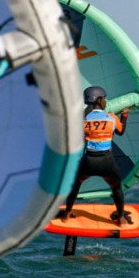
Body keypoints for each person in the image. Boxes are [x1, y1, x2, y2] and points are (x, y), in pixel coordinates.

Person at [57, 86, 130, 223]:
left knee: (75, 185)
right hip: (107, 162)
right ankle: (120, 218)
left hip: (88, 161)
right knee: (116, 187)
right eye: (105, 99)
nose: (106, 101)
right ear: (99, 100)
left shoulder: (82, 120)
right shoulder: (112, 118)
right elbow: (121, 131)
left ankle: (67, 214)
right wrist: (124, 115)